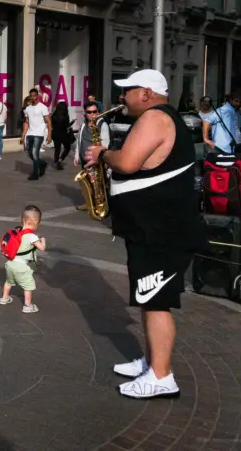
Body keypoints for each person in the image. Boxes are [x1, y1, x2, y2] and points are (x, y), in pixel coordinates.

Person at [84, 69, 206, 399]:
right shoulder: (160, 117)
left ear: (148, 93)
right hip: (152, 229)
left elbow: (127, 162)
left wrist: (102, 155)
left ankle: (162, 376)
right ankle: (152, 362)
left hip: (161, 232)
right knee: (147, 295)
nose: (121, 96)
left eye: (128, 90)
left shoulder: (155, 119)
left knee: (156, 302)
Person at [0, 205, 45, 313]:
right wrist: (43, 240)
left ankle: (4, 298)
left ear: (22, 220)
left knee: (8, 282)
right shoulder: (32, 236)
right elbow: (42, 248)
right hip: (22, 267)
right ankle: (27, 306)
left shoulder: (17, 232)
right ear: (35, 222)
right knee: (27, 287)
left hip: (10, 264)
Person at [20, 90, 52, 180]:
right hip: (30, 133)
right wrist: (23, 136)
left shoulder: (43, 107)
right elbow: (26, 122)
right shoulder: (28, 108)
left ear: (38, 96)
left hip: (39, 133)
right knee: (29, 153)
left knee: (35, 153)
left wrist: (49, 135)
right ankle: (42, 164)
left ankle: (35, 173)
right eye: (31, 96)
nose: (32, 97)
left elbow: (48, 121)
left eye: (34, 96)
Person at [50, 101, 73, 170]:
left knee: (57, 149)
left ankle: (56, 160)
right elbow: (67, 126)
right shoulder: (65, 115)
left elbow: (52, 124)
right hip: (63, 135)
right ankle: (61, 159)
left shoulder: (54, 115)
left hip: (55, 134)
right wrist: (71, 123)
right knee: (67, 147)